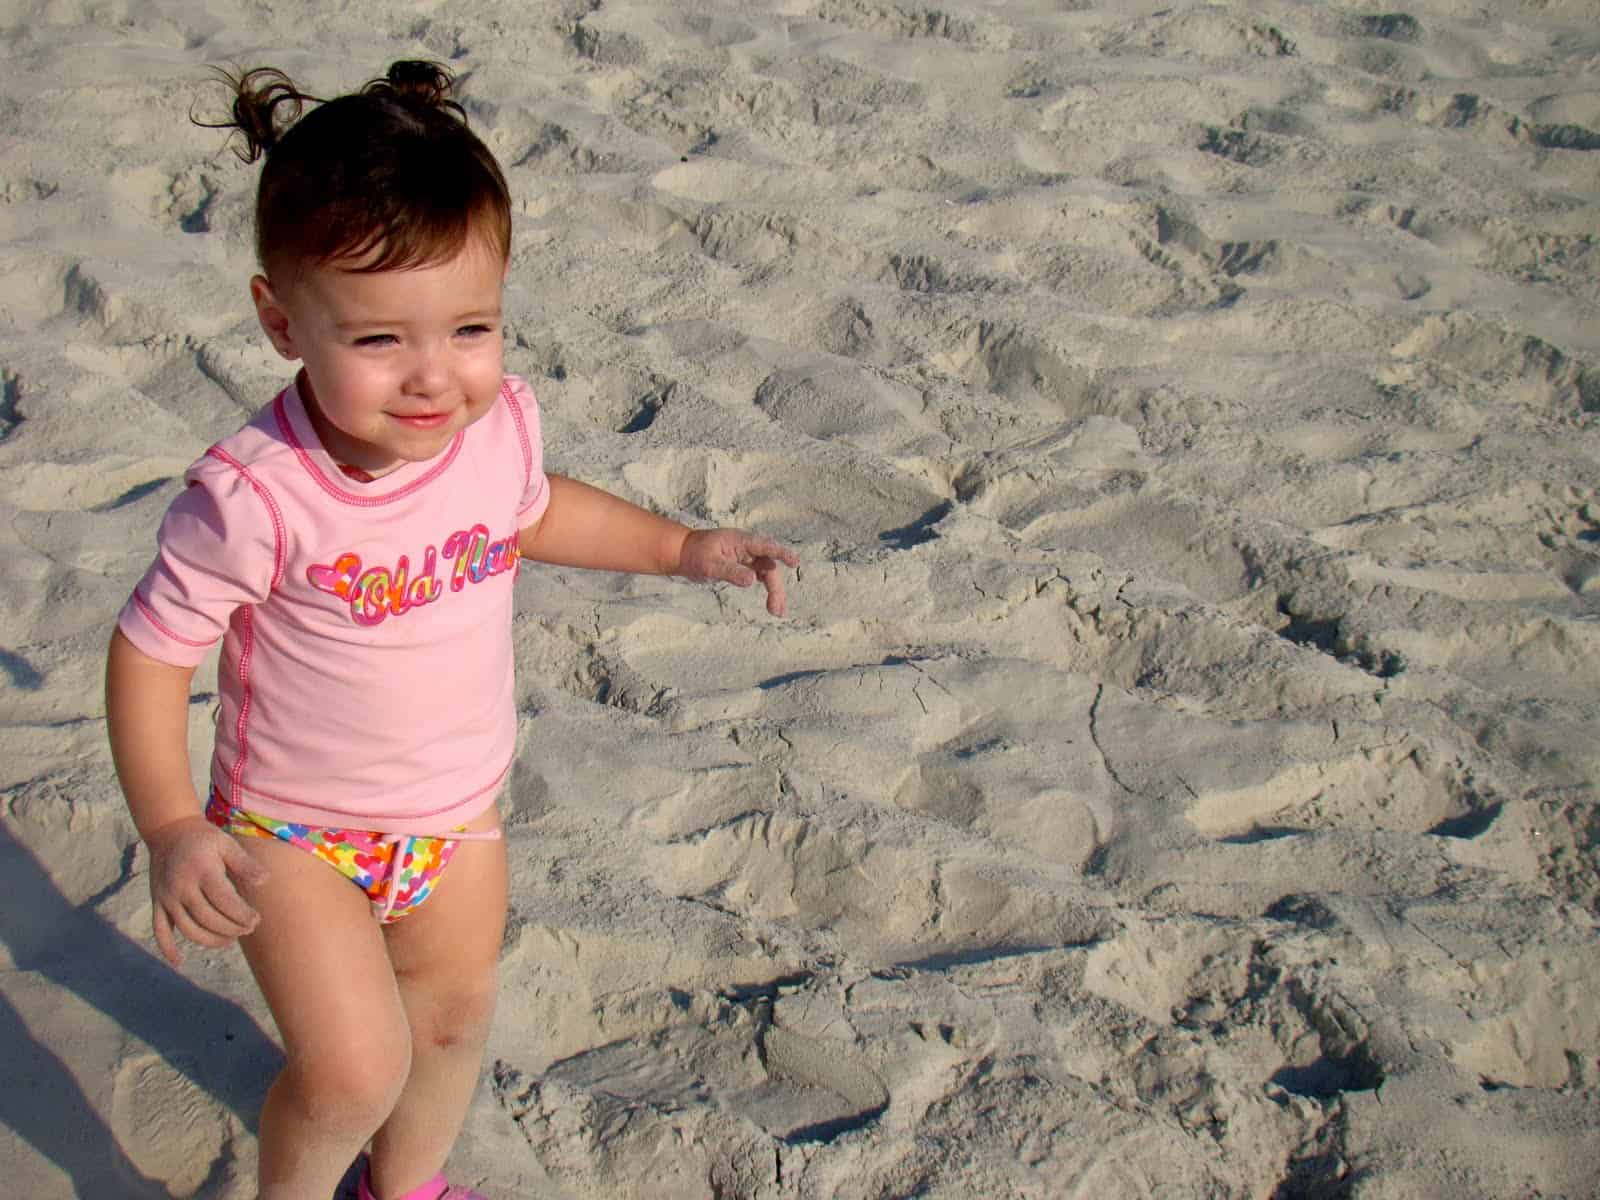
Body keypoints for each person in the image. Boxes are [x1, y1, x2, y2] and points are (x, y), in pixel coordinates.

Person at [105, 60, 798, 1200]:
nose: (435, 377)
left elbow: (534, 512)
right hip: (295, 829)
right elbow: (150, 651)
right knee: (348, 1070)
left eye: (471, 327)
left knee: (449, 1020)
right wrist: (174, 825)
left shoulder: (493, 430)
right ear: (282, 318)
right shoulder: (258, 494)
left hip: (457, 809)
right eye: (378, 342)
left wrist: (681, 549)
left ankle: (406, 1186)